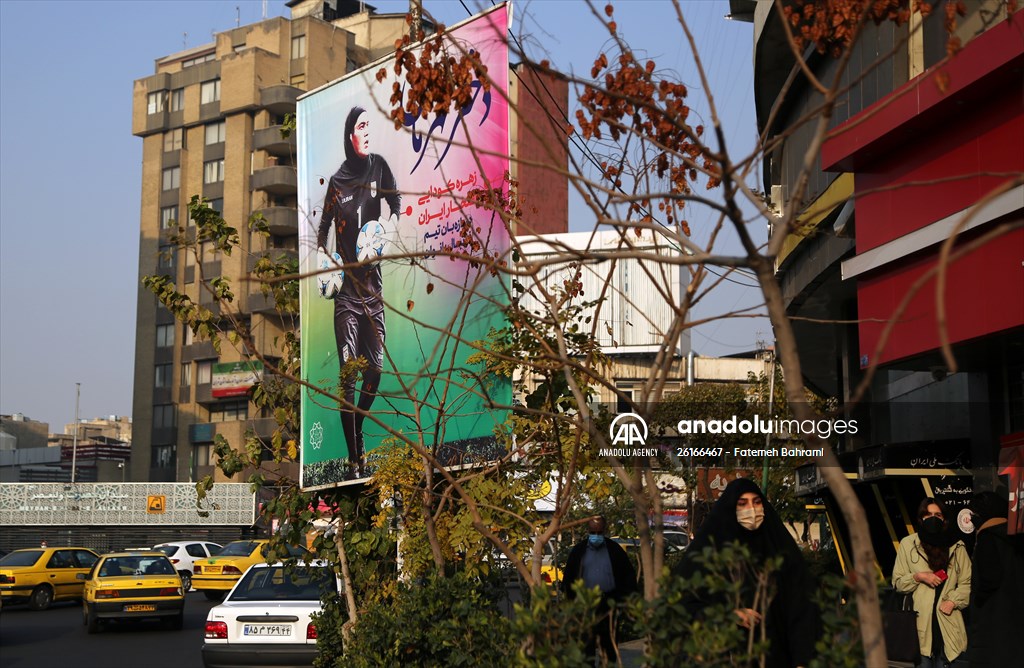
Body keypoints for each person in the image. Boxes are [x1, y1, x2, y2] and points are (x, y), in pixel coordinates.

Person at [316, 106, 400, 478]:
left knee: (376, 373)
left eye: (370, 125)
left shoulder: (378, 166)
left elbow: (395, 201)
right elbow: (322, 232)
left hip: (373, 294)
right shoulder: (337, 183)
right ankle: (354, 460)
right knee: (349, 376)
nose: (368, 131)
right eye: (362, 126)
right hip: (346, 299)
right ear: (350, 134)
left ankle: (357, 430)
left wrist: (387, 226)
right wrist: (325, 261)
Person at [673, 478, 818, 668]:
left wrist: (803, 659)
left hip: (776, 656)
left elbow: (802, 606)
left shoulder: (779, 548)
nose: (752, 509)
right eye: (742, 504)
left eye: (757, 502)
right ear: (730, 509)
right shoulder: (708, 552)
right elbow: (682, 604)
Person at [892, 497, 971, 668]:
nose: (933, 518)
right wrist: (918, 577)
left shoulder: (957, 546)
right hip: (919, 629)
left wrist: (953, 601)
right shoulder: (908, 544)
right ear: (921, 519)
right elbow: (897, 582)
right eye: (928, 515)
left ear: (944, 519)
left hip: (949, 628)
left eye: (938, 515)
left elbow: (968, 583)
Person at [561, 516, 638, 662]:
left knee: (609, 646)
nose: (596, 536)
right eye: (593, 532)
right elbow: (569, 577)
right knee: (586, 647)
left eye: (599, 532)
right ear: (588, 531)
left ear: (605, 531)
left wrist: (624, 602)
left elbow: (628, 576)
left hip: (608, 604)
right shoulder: (579, 552)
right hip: (585, 605)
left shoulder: (614, 550)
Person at [966, 490, 1024, 667]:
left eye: (974, 514)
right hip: (1015, 618)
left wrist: (977, 600)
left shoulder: (987, 538)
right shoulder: (1015, 537)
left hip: (993, 620)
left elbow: (990, 578)